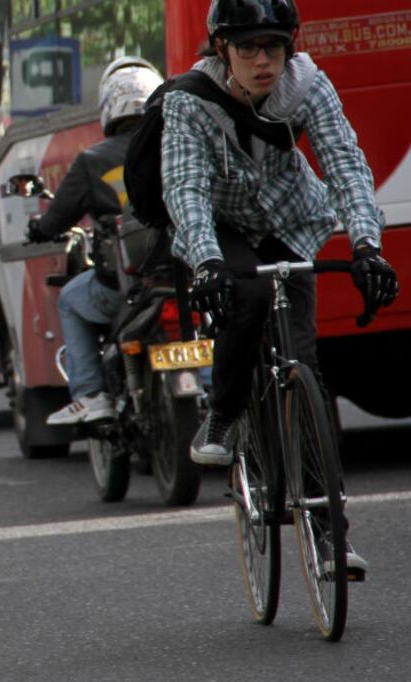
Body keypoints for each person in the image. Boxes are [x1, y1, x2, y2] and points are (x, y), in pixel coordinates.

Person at [165, 0, 400, 574]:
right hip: (221, 229)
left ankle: (330, 538)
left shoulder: (307, 86)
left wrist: (368, 245)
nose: (263, 61)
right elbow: (185, 188)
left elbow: (345, 163)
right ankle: (223, 412)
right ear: (222, 49)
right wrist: (206, 261)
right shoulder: (189, 99)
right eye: (248, 49)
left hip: (292, 220)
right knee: (243, 300)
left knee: (307, 371)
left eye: (273, 47)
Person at [32, 58, 164, 425]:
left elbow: (56, 219)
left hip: (123, 283)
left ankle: (90, 395)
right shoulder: (179, 144)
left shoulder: (92, 160)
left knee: (71, 301)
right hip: (185, 273)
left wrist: (39, 229)